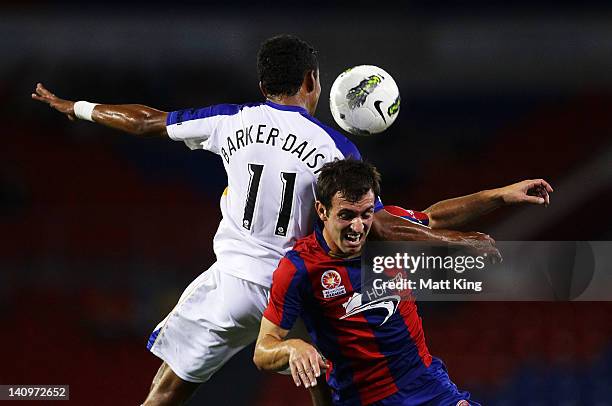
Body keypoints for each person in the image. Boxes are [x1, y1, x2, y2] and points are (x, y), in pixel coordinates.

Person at [32, 34, 550, 405]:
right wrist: (461, 234)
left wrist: (73, 106)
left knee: (168, 388)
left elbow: (145, 121)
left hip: (232, 282)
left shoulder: (232, 120)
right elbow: (382, 223)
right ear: (312, 82)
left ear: (263, 84)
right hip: (304, 285)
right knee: (348, 371)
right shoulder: (333, 148)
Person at [254, 159, 481, 405]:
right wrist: (292, 347)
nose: (358, 226)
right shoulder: (299, 267)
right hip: (362, 399)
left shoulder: (386, 232)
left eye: (366, 214)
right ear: (322, 211)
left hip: (425, 384)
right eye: (346, 216)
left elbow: (433, 218)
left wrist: (502, 195)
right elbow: (262, 351)